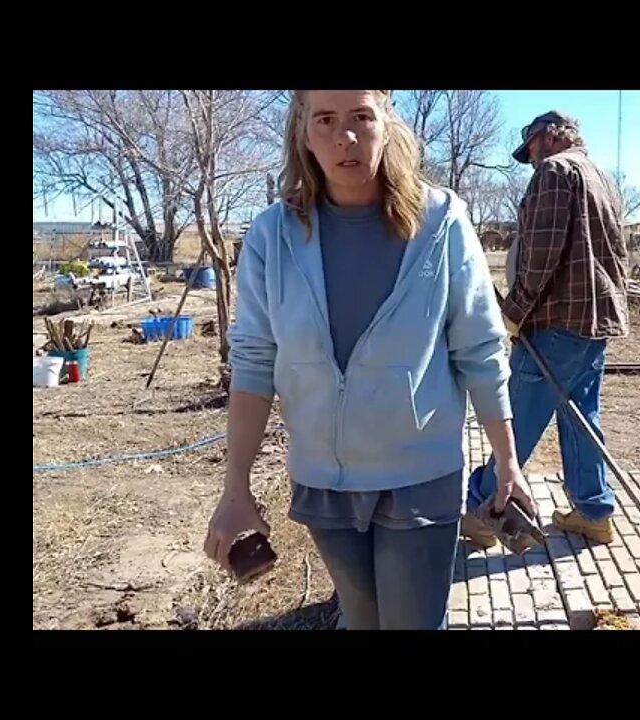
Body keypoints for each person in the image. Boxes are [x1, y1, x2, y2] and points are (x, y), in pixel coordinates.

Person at [203, 90, 534, 630]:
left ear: (386, 122)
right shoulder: (271, 235)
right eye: (326, 120)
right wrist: (235, 488)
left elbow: (479, 347)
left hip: (420, 476)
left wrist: (507, 461)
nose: (345, 137)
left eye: (361, 117)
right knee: (360, 617)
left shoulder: (441, 223)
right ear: (303, 131)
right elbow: (254, 361)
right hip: (324, 482)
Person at [463, 111, 630, 547]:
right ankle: (593, 511)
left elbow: (541, 254)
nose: (531, 157)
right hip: (593, 323)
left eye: (532, 145)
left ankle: (484, 509)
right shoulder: (603, 178)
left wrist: (514, 311)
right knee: (581, 419)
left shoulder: (557, 171)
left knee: (515, 419)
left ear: (553, 136)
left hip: (556, 323)